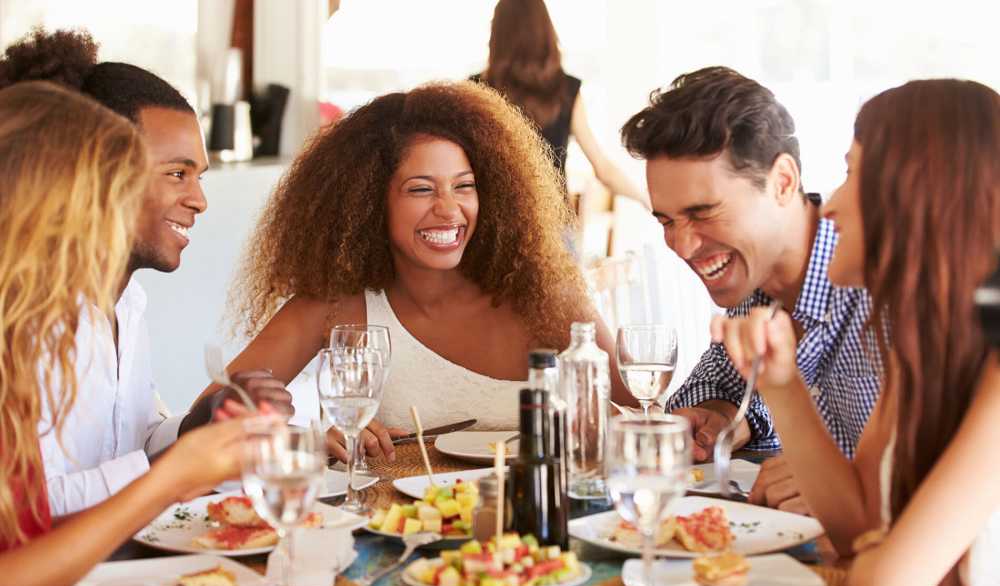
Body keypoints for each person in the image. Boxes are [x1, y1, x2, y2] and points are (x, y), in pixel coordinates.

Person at [713, 79, 1000, 586]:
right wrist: (782, 386)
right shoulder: (921, 347)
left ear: (915, 196)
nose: (834, 202)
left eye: (852, 173)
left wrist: (880, 549)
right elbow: (853, 526)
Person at [220, 81, 633, 461]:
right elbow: (213, 419)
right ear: (367, 201)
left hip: (536, 530)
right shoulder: (335, 307)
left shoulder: (546, 297)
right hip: (397, 533)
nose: (449, 210)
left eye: (464, 186)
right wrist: (302, 438)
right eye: (421, 189)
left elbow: (639, 412)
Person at [0, 80, 263, 586]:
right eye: (107, 197)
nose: (115, 223)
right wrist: (168, 477)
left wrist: (198, 434)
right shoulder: (26, 337)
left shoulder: (93, 311)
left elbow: (131, 437)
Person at [0, 28, 291, 516]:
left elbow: (127, 445)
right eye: (177, 173)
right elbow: (31, 507)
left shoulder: (128, 302)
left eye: (199, 176)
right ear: (96, 172)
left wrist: (197, 423)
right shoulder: (26, 315)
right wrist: (175, 470)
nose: (199, 199)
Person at [620, 66, 880, 514]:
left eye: (703, 212)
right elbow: (713, 386)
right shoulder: (753, 281)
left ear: (782, 182)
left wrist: (843, 480)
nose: (681, 245)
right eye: (666, 220)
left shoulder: (882, 285)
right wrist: (722, 415)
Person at [474, 0, 648, 209]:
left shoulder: (475, 89)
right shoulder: (566, 90)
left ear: (496, 34)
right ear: (546, 33)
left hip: (493, 221)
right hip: (552, 224)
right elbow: (602, 168)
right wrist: (645, 200)